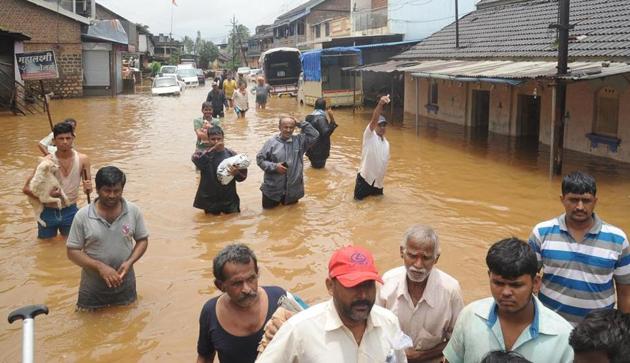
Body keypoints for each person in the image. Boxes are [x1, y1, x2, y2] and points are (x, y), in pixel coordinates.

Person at [257, 245, 408, 363]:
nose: (363, 295)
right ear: (330, 286)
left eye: (368, 285)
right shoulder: (299, 330)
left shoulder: (389, 323)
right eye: (353, 286)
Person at [443, 238, 574, 363]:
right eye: (498, 283)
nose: (506, 292)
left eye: (516, 285)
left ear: (535, 283)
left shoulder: (563, 337)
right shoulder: (470, 316)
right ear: (489, 277)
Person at [528, 171, 630, 325]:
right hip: (551, 327)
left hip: (599, 331)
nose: (580, 207)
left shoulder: (617, 239)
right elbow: (526, 280)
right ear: (562, 200)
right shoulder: (541, 233)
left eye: (586, 200)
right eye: (574, 200)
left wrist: (624, 333)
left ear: (595, 201)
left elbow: (625, 292)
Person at [376, 225, 464, 363]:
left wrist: (420, 356)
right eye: (412, 256)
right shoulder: (387, 282)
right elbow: (374, 328)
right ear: (401, 252)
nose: (418, 264)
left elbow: (459, 340)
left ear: (436, 258)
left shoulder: (451, 290)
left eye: (426, 258)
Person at [66, 166, 149, 310]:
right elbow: (72, 251)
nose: (112, 195)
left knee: (129, 325)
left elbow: (142, 240)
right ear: (97, 190)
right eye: (107, 191)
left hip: (126, 285)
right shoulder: (83, 216)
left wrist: (130, 262)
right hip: (93, 289)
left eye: (116, 191)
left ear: (122, 190)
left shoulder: (133, 211)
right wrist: (100, 267)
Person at [196, 244, 286, 363]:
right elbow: (205, 357)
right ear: (220, 285)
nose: (247, 289)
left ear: (257, 273)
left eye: (251, 279)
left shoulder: (279, 299)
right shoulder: (211, 313)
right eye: (237, 283)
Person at [23, 121, 92, 240]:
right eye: (60, 138)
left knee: (72, 247)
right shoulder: (46, 162)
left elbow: (88, 190)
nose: (65, 142)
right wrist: (45, 196)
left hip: (71, 211)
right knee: (46, 249)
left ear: (73, 138)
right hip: (47, 211)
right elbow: (26, 189)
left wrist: (89, 188)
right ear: (54, 141)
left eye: (68, 138)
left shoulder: (83, 160)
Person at [256, 115, 319, 209]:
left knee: (292, 218)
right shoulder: (271, 142)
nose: (288, 130)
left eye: (291, 127)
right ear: (279, 127)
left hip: (293, 190)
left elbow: (315, 135)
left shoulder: (299, 141)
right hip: (272, 190)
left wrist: (300, 123)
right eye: (285, 127)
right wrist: (274, 166)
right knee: (269, 217)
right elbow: (260, 159)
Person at [191, 126, 247, 215]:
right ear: (208, 140)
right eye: (213, 139)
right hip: (210, 199)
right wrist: (213, 149)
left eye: (219, 139)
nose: (216, 142)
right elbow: (197, 161)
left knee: (234, 224)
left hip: (229, 198)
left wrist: (236, 173)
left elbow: (242, 177)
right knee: (210, 226)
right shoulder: (200, 153)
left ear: (223, 138)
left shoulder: (232, 154)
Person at [354, 95, 390, 200]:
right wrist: (380, 104)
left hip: (378, 184)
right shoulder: (369, 135)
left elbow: (384, 164)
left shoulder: (386, 144)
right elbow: (374, 120)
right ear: (375, 126)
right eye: (380, 125)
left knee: (378, 212)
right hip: (365, 179)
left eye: (384, 125)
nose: (382, 127)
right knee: (358, 208)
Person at [305, 98, 338, 169]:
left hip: (311, 149)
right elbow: (326, 133)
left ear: (315, 106)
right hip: (320, 151)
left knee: (313, 169)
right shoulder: (321, 118)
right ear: (324, 107)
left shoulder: (308, 117)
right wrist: (332, 119)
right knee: (320, 170)